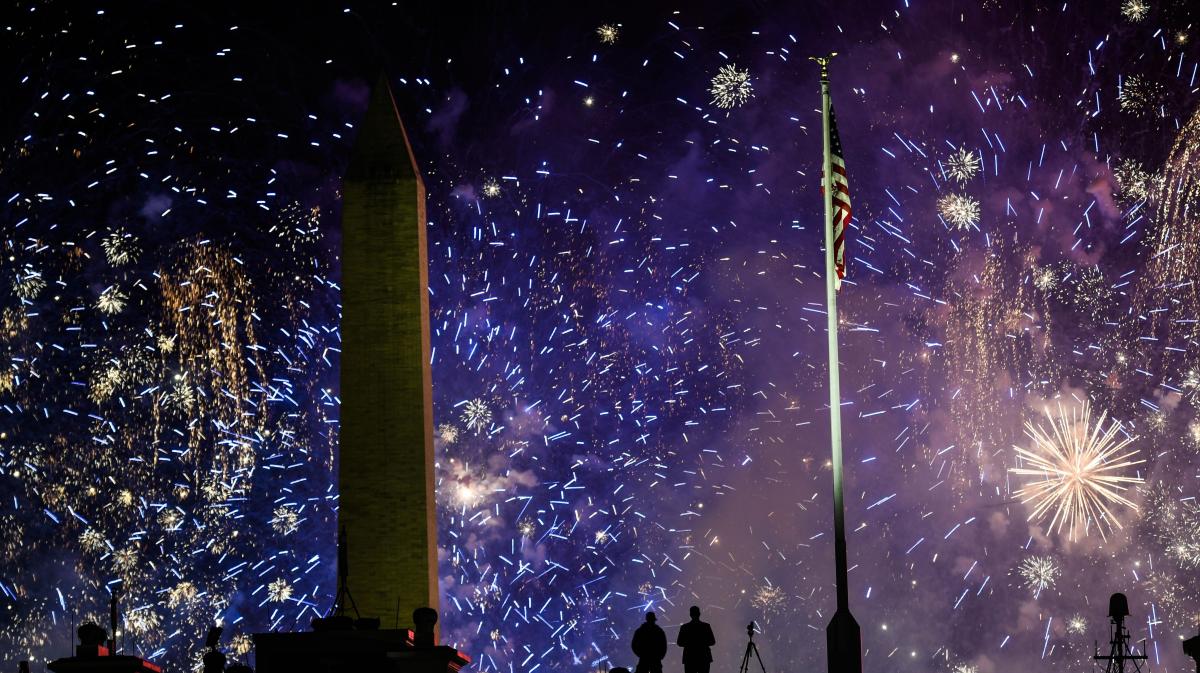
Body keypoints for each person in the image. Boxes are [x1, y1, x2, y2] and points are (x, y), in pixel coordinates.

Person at [676, 606, 716, 673]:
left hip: (689, 658)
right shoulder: (706, 626)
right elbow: (712, 641)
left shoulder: (684, 627)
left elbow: (679, 643)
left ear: (690, 614)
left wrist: (690, 643)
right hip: (704, 658)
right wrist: (701, 643)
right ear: (699, 614)